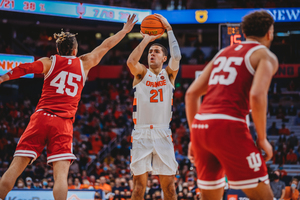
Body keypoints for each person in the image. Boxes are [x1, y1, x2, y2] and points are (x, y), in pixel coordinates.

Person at [0, 15, 137, 200]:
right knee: (61, 176)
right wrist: (124, 31)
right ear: (75, 49)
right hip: (63, 123)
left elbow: (26, 68)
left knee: (15, 168)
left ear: (58, 48)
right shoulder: (85, 62)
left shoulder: (49, 62)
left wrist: (4, 77)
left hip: (41, 117)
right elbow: (106, 45)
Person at [185, 11, 278, 200]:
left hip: (201, 127)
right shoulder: (265, 56)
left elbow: (191, 94)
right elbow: (257, 95)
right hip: (228, 126)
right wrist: (262, 138)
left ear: (244, 33)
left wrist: (193, 136)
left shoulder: (222, 53)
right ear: (269, 33)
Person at [126, 14, 181, 200]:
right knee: (139, 188)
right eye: (150, 51)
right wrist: (146, 40)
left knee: (170, 189)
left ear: (164, 57)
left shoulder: (169, 75)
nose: (152, 53)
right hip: (141, 134)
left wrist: (170, 30)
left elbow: (178, 56)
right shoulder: (141, 73)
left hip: (162, 133)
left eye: (156, 51)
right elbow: (131, 62)